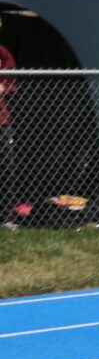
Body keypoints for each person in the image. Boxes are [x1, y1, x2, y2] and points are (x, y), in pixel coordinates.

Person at [0, 17, 17, 226]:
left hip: (1, 121)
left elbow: (10, 82)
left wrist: (3, 87)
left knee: (5, 168)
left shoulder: (3, 53)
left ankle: (5, 217)